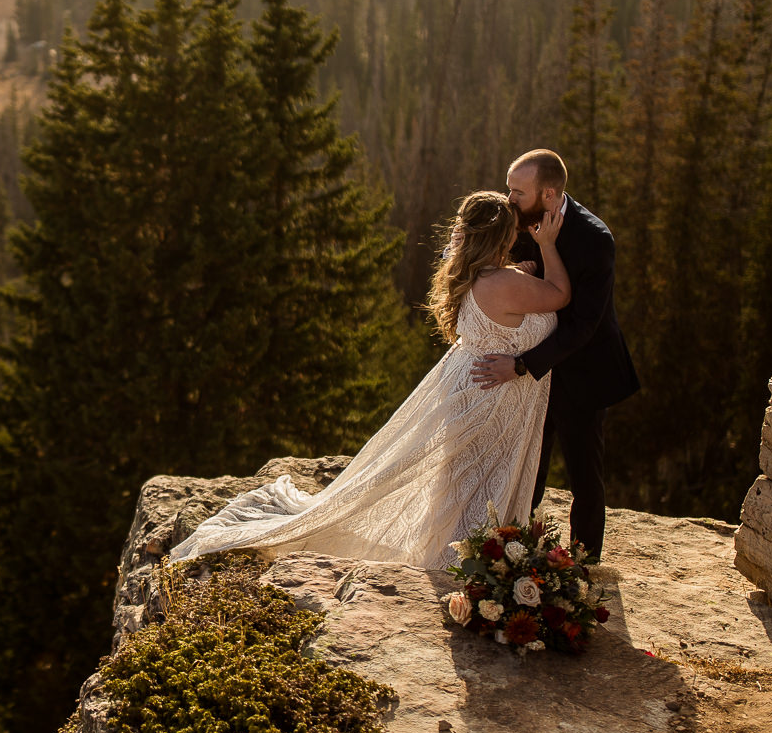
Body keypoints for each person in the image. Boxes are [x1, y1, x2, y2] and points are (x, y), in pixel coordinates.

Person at [166, 189, 570, 568]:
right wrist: (549, 245)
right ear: (501, 238)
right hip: (491, 397)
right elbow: (559, 295)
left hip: (472, 385)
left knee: (462, 481)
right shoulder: (506, 283)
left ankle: (464, 554)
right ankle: (465, 560)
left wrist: (518, 271)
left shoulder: (478, 274)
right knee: (475, 483)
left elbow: (507, 294)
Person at [468, 149, 639, 561]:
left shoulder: (595, 240)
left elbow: (583, 325)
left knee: (585, 473)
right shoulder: (519, 221)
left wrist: (522, 365)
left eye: (517, 191)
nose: (509, 198)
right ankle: (512, 556)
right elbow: (481, 256)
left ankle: (584, 564)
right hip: (529, 372)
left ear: (547, 194)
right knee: (528, 467)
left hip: (582, 370)